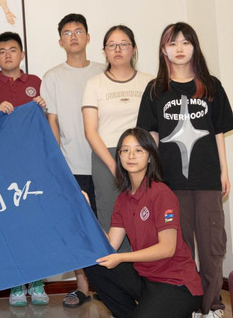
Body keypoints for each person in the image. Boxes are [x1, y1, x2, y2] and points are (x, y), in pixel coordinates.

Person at [137, 22, 233, 318]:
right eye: (172, 43)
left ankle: (212, 306)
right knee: (180, 249)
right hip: (170, 184)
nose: (179, 49)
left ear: (194, 47)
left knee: (211, 246)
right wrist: (151, 180)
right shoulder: (155, 90)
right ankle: (188, 305)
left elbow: (218, 133)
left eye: (185, 42)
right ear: (163, 50)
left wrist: (224, 172)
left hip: (207, 181)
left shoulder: (212, 86)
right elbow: (151, 137)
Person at [84, 128, 203, 318]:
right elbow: (110, 246)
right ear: (119, 156)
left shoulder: (161, 193)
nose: (131, 155)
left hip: (177, 284)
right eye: (125, 150)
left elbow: (167, 248)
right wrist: (87, 212)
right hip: (146, 278)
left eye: (139, 150)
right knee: (95, 265)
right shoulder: (123, 199)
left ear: (149, 157)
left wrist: (122, 258)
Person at [40, 13, 104, 308]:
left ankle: (111, 285)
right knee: (78, 227)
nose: (73, 36)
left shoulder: (103, 71)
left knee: (110, 224)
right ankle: (82, 287)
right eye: (67, 33)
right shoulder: (53, 76)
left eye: (79, 31)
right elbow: (52, 122)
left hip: (106, 164)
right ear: (60, 41)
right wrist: (57, 165)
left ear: (88, 37)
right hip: (71, 165)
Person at [82, 25, 153, 249]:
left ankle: (144, 266)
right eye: (112, 45)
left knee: (144, 214)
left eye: (124, 44)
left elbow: (155, 128)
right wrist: (114, 165)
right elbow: (90, 131)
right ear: (105, 51)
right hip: (107, 156)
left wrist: (149, 157)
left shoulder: (150, 82)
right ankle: (117, 268)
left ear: (134, 49)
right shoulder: (94, 84)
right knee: (112, 216)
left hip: (142, 156)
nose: (118, 49)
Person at [0, 32, 48, 307]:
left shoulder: (36, 83)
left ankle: (37, 281)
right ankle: (16, 284)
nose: (7, 55)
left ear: (22, 54)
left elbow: (49, 123)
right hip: (3, 165)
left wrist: (42, 107)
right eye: (2, 51)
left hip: (33, 163)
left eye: (13, 49)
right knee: (10, 224)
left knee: (35, 224)